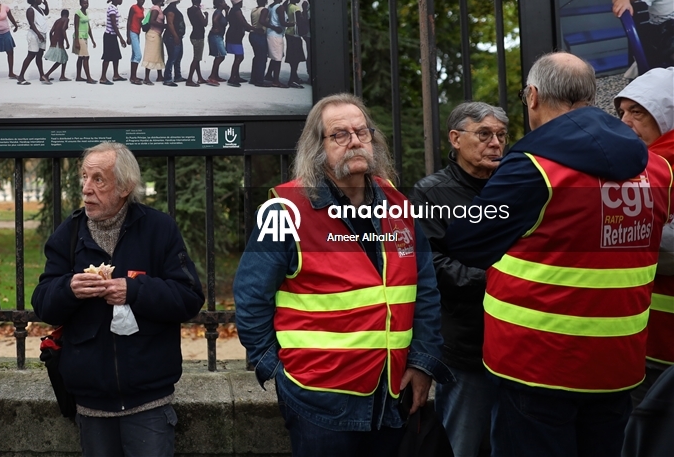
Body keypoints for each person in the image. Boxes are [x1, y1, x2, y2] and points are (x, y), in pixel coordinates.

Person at [444, 52, 673, 457]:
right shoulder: (657, 170)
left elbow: (466, 242)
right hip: (618, 363)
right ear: (591, 94)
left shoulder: (535, 167)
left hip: (538, 363)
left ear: (532, 96)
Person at [234, 93, 448, 457]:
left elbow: (424, 290)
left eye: (362, 132)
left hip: (389, 395)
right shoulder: (285, 211)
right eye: (339, 134)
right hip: (318, 402)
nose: (354, 141)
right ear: (317, 147)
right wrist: (276, 371)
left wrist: (422, 362)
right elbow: (250, 297)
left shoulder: (399, 206)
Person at [31, 142, 205, 457]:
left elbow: (189, 297)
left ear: (124, 187)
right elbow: (42, 303)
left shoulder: (158, 229)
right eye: (84, 177)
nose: (86, 188)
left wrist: (134, 290)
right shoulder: (67, 236)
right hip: (91, 405)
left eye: (98, 179)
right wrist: (69, 288)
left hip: (148, 403)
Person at [410, 101, 509, 457]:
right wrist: (495, 281)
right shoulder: (430, 193)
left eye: (500, 135)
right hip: (467, 343)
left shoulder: (516, 186)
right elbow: (429, 263)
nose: (495, 143)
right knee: (461, 444)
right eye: (483, 134)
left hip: (518, 342)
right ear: (455, 138)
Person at [614, 66, 674, 405]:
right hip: (645, 339)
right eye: (622, 112)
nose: (625, 122)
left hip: (657, 347)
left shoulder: (657, 165)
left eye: (638, 112)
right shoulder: (640, 162)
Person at [17, 0, 50, 85]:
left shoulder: (39, 9)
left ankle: (41, 75)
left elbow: (46, 13)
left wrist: (46, 5)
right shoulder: (30, 10)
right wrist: (38, 34)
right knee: (31, 55)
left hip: (42, 34)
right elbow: (31, 23)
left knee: (39, 55)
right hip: (35, 35)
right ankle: (21, 76)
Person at [99, 0, 128, 85]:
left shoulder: (114, 8)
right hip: (109, 35)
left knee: (116, 56)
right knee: (107, 57)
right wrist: (121, 38)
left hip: (112, 35)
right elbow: (114, 25)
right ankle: (103, 77)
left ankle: (116, 75)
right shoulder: (112, 9)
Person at [161, 0, 187, 87]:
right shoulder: (171, 10)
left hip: (175, 36)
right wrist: (175, 36)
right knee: (172, 57)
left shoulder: (172, 9)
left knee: (178, 57)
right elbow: (170, 24)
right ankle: (167, 78)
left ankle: (177, 76)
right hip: (172, 37)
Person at [224, 0, 251, 87]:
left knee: (238, 56)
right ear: (239, 2)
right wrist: (252, 28)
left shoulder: (233, 10)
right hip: (235, 36)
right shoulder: (236, 10)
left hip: (234, 35)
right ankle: (232, 78)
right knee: (239, 57)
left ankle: (236, 75)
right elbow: (242, 21)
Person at [140, 0, 167, 86]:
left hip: (157, 34)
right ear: (161, 0)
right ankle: (146, 78)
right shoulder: (155, 8)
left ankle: (160, 75)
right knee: (151, 55)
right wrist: (164, 25)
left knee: (159, 54)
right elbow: (152, 21)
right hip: (153, 34)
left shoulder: (158, 9)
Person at [264, 0, 288, 89]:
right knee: (278, 58)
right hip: (276, 35)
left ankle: (269, 74)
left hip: (270, 34)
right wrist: (293, 24)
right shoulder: (280, 7)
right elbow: (282, 22)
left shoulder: (270, 6)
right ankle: (276, 81)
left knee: (275, 56)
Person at [284, 0, 306, 88]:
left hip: (288, 33)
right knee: (295, 58)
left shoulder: (288, 6)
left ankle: (295, 77)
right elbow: (301, 21)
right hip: (295, 34)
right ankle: (292, 79)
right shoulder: (296, 9)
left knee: (292, 56)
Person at [205, 0, 229, 87]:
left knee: (219, 56)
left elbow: (226, 22)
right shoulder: (218, 12)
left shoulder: (221, 13)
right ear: (220, 4)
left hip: (218, 36)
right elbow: (215, 20)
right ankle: (212, 76)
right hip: (216, 36)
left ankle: (215, 75)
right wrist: (218, 28)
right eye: (224, 2)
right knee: (220, 56)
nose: (225, 3)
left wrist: (227, 11)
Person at [73, 0, 97, 84]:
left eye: (87, 3)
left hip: (85, 36)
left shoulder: (86, 13)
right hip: (79, 37)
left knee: (80, 57)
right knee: (86, 57)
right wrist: (76, 40)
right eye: (84, 3)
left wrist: (93, 39)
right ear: (80, 4)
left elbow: (88, 26)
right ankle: (89, 78)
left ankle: (78, 76)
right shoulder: (78, 13)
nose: (86, 5)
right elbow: (75, 26)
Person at [248, 0, 270, 87]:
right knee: (262, 58)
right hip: (260, 35)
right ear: (265, 1)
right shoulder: (264, 10)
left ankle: (254, 78)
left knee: (257, 57)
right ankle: (260, 80)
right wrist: (273, 27)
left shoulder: (254, 10)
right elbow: (262, 21)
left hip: (253, 34)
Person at [186, 0, 207, 87]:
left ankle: (199, 77)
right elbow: (204, 23)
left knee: (197, 58)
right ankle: (189, 79)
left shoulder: (189, 10)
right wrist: (206, 15)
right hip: (199, 36)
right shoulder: (197, 10)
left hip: (193, 34)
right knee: (196, 58)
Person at [45, 9, 71, 82]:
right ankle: (46, 75)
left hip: (55, 41)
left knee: (64, 58)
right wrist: (67, 41)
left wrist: (51, 41)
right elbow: (63, 29)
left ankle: (62, 76)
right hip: (59, 42)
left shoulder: (57, 21)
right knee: (61, 60)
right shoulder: (66, 19)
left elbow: (50, 32)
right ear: (67, 15)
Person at [127, 0, 147, 85]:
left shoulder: (142, 9)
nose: (141, 1)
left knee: (134, 54)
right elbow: (129, 21)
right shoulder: (133, 8)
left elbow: (139, 20)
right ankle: (133, 77)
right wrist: (128, 36)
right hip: (132, 32)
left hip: (138, 32)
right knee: (138, 55)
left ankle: (133, 76)